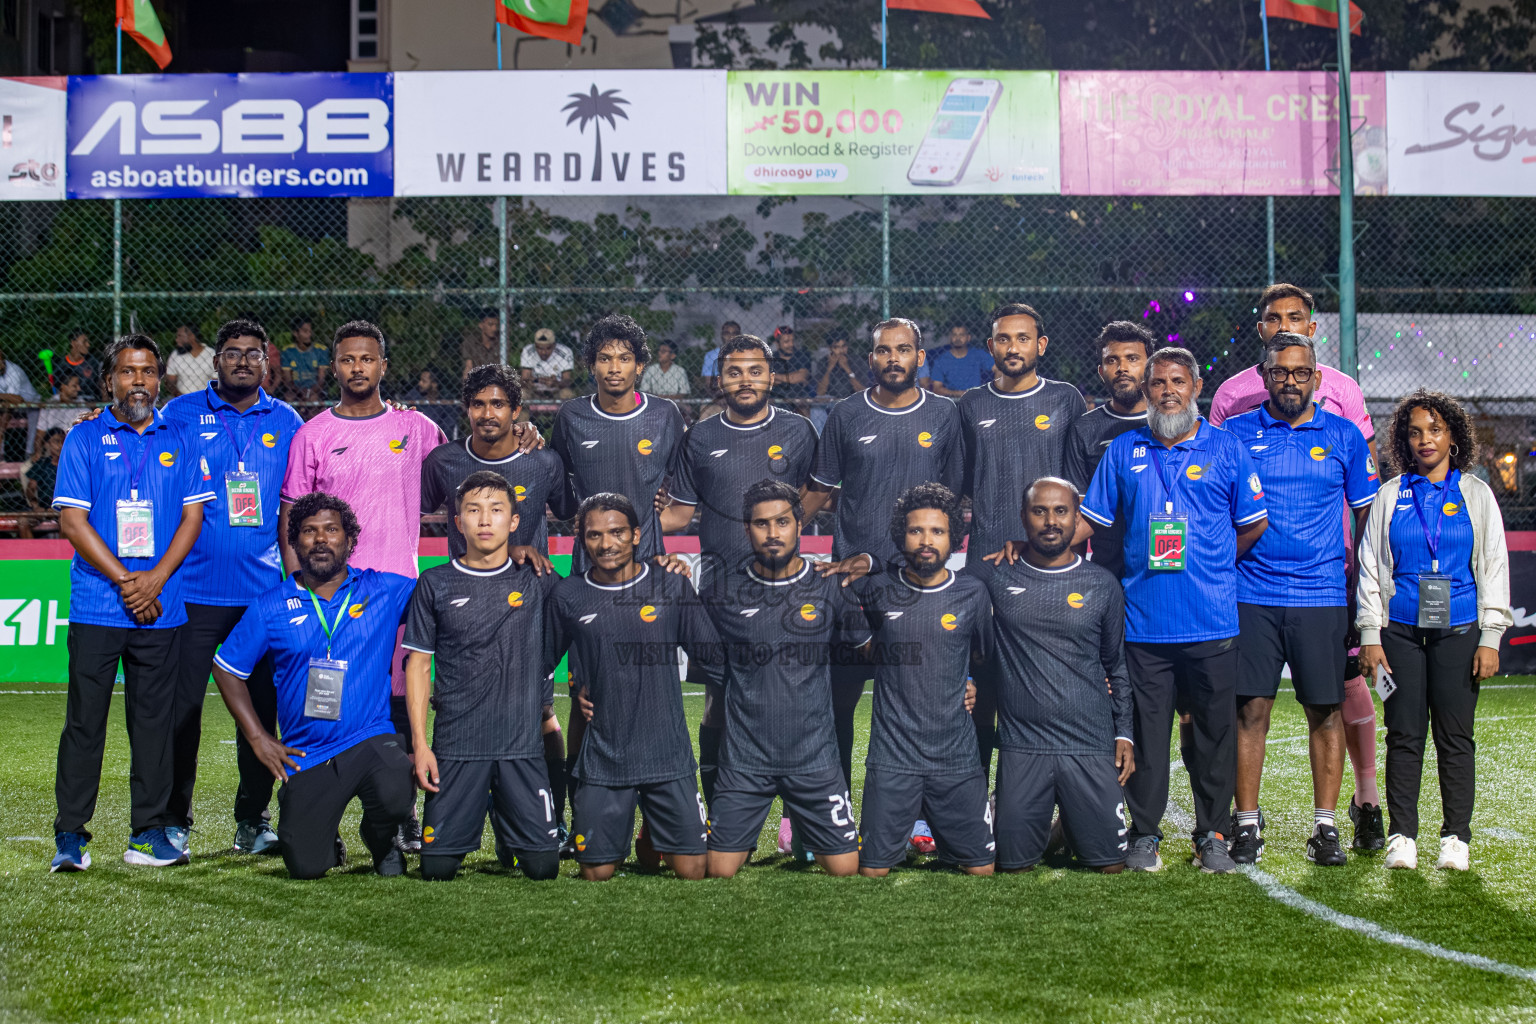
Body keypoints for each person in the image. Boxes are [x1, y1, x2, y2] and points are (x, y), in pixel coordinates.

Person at [1207, 283, 1384, 846]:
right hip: (1250, 593)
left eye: (1300, 373)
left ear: (1316, 378)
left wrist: (1362, 586)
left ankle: (1325, 827)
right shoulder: (1234, 433)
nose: (1290, 381)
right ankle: (1247, 825)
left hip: (1323, 594)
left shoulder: (1343, 436)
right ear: (1264, 377)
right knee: (1249, 711)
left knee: (1325, 711)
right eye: (1280, 372)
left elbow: (1368, 514)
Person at [1080, 347, 1268, 874]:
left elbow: (1254, 523)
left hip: (1211, 622)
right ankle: (1144, 835)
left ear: (1196, 387)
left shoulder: (1226, 448)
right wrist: (1031, 548)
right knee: (1146, 739)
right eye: (1158, 383)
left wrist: (1215, 560)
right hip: (1143, 624)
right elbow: (1091, 521)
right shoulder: (1124, 450)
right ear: (1146, 390)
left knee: (1213, 737)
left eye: (1178, 382)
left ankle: (1212, 834)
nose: (1168, 392)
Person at [279, 319, 448, 852]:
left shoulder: (416, 427)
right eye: (348, 359)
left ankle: (399, 817)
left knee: (398, 703)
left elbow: (458, 473)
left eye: (367, 359)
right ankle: (318, 816)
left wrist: (526, 435)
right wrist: (297, 589)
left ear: (383, 366)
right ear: (334, 367)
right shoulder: (313, 435)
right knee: (322, 704)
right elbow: (291, 519)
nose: (358, 368)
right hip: (328, 596)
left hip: (396, 594)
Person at [48, 334, 214, 873]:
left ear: (160, 379)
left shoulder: (182, 436)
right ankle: (71, 836)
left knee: (154, 726)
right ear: (109, 380)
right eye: (127, 371)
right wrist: (128, 582)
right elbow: (73, 523)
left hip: (162, 606)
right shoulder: (84, 438)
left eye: (147, 371)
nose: (138, 381)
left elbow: (193, 518)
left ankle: (147, 833)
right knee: (84, 724)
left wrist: (155, 581)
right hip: (98, 604)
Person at [803, 316, 962, 837]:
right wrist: (774, 536)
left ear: (920, 356)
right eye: (883, 350)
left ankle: (920, 818)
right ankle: (832, 815)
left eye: (904, 349)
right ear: (870, 358)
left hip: (918, 587)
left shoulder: (944, 415)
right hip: (851, 586)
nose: (894, 358)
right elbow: (819, 490)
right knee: (837, 705)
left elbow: (952, 503)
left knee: (918, 707)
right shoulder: (846, 414)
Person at [210, 493, 418, 880]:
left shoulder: (382, 590)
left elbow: (443, 592)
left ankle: (381, 837)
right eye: (309, 531)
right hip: (307, 753)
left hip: (370, 737)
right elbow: (226, 669)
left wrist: (509, 554)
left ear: (349, 540)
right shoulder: (270, 605)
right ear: (294, 542)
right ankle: (320, 832)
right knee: (307, 865)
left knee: (396, 784)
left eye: (331, 530)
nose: (320, 539)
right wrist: (258, 738)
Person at [161, 318, 305, 856]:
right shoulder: (178, 414)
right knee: (182, 713)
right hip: (191, 592)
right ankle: (174, 821)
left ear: (266, 362)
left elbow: (294, 507)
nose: (243, 361)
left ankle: (252, 821)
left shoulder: (286, 420)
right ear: (215, 360)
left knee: (263, 712)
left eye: (253, 353)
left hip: (262, 598)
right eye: (232, 352)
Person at [659, 333, 819, 807]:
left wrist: (787, 530)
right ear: (719, 379)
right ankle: (718, 812)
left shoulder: (799, 431)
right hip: (721, 592)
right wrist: (628, 530)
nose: (745, 380)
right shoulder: (700, 437)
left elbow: (819, 493)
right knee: (719, 701)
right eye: (734, 371)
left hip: (786, 592)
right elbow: (678, 513)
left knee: (792, 702)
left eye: (755, 371)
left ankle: (798, 821)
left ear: (771, 376)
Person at [1357, 390, 1512, 872]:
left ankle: (1455, 838)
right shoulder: (1391, 494)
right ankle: (1402, 836)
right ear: (1404, 440)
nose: (1425, 440)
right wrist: (1370, 633)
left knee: (1455, 736)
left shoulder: (1476, 494)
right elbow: (1370, 565)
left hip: (1460, 630)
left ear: (1453, 437)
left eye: (1435, 430)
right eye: (1415, 432)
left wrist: (1490, 637)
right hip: (1399, 632)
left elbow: (1494, 564)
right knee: (1404, 734)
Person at [420, 364, 570, 838]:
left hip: (526, 611)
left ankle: (551, 818)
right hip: (464, 610)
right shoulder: (443, 462)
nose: (488, 413)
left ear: (516, 410)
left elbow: (570, 511)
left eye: (499, 404)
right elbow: (415, 509)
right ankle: (463, 810)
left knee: (540, 712)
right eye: (479, 404)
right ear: (466, 409)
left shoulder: (543, 463)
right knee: (458, 710)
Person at [550, 493, 722, 881]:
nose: (606, 544)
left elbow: (714, 658)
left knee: (694, 871)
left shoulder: (670, 586)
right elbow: (542, 661)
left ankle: (652, 831)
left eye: (617, 532)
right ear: (582, 539)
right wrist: (578, 686)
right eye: (594, 535)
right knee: (597, 873)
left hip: (667, 755)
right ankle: (635, 824)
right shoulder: (568, 595)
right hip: (604, 758)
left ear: (637, 535)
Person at [702, 480, 869, 878]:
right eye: (762, 524)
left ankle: (807, 834)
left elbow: (874, 653)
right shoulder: (720, 593)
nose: (772, 533)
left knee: (846, 870)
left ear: (799, 524)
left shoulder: (831, 585)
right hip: (745, 759)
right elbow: (706, 669)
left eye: (782, 522)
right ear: (747, 529)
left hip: (815, 758)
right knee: (718, 871)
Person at [403, 471, 562, 882]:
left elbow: (590, 605)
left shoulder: (538, 578)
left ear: (514, 521)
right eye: (474, 511)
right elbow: (418, 665)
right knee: (437, 869)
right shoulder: (434, 583)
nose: (485, 520)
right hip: (457, 746)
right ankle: (488, 804)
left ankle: (507, 817)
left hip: (520, 746)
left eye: (496, 510)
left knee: (543, 868)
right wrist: (421, 745)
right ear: (458, 522)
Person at [959, 302, 1083, 787]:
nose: (1013, 347)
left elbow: (1078, 490)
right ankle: (974, 802)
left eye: (1023, 338)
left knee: (1042, 685)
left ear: (1041, 345)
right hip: (986, 564)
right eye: (1004, 339)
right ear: (991, 346)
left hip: (1048, 567)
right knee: (983, 686)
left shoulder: (1066, 399)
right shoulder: (971, 405)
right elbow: (960, 483)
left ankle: (1035, 801)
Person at [988, 478, 1134, 873]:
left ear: (1076, 518)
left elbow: (1116, 666)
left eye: (1060, 511)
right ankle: (1056, 829)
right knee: (1013, 866)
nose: (1050, 521)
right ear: (1023, 518)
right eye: (1040, 511)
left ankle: (1071, 824)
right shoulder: (997, 577)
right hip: (1023, 744)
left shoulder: (1102, 584)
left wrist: (1124, 733)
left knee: (1109, 866)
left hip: (1088, 740)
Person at [851, 483, 994, 877]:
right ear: (902, 536)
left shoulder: (972, 593)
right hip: (893, 756)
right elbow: (868, 648)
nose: (926, 541)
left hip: (956, 757)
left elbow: (984, 657)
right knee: (873, 871)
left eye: (937, 531)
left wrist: (972, 682)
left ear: (953, 538)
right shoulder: (879, 589)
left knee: (981, 871)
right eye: (916, 530)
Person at [550, 314, 684, 575]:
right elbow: (556, 475)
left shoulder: (664, 414)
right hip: (589, 561)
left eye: (624, 358)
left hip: (648, 557)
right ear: (592, 366)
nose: (614, 368)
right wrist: (579, 512)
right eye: (604, 359)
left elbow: (687, 474)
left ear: (639, 366)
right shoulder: (571, 415)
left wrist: (668, 496)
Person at [1063, 321, 1153, 580]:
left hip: (1162, 568)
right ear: (1101, 371)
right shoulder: (1084, 429)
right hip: (1106, 570)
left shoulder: (1169, 425)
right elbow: (1077, 512)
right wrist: (1075, 579)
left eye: (1132, 358)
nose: (1122, 368)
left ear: (1150, 366)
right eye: (1112, 360)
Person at [922, 322, 993, 398]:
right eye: (954, 335)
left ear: (968, 338)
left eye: (961, 335)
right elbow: (936, 388)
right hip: (952, 400)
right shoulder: (941, 361)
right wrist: (960, 394)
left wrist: (995, 390)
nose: (958, 338)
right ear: (950, 337)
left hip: (976, 399)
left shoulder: (978, 354)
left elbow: (998, 369)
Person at [811, 329, 860, 431]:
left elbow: (862, 391)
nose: (841, 351)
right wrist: (830, 367)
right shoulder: (823, 362)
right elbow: (820, 392)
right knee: (816, 407)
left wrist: (847, 369)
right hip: (831, 400)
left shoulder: (856, 360)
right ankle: (821, 439)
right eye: (836, 347)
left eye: (843, 346)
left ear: (847, 347)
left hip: (852, 400)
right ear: (830, 349)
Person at [519, 327, 576, 401]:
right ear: (535, 345)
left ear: (554, 345)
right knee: (521, 393)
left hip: (556, 390)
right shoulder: (528, 351)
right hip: (534, 390)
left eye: (548, 348)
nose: (543, 352)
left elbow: (567, 380)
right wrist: (530, 382)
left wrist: (556, 383)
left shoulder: (565, 352)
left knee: (567, 393)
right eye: (540, 348)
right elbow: (524, 378)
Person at [404, 368, 461, 439]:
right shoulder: (414, 396)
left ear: (434, 384)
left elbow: (447, 429)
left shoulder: (446, 404)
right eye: (420, 380)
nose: (420, 383)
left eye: (424, 381)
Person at [163, 325, 217, 398]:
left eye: (180, 336)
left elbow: (216, 383)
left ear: (191, 336)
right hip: (180, 398)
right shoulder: (175, 354)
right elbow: (170, 382)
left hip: (205, 398)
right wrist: (180, 396)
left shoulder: (211, 354)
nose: (176, 340)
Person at [283, 316, 328, 403]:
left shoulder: (321, 350)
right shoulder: (287, 351)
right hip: (295, 390)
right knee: (288, 398)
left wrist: (309, 392)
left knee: (313, 399)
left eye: (310, 331)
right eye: (305, 331)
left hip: (315, 389)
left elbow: (321, 379)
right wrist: (300, 391)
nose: (309, 334)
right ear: (296, 333)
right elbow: (288, 379)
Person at [35, 375, 84, 454]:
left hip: (73, 448)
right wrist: (38, 453)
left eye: (78, 385)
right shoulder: (50, 404)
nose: (79, 389)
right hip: (52, 449)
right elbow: (40, 434)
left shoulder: (82, 404)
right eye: (74, 386)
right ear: (63, 386)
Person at [768, 326, 812, 406]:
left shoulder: (802, 356)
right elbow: (765, 379)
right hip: (776, 400)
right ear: (777, 344)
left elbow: (801, 377)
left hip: (799, 400)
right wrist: (792, 378)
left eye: (793, 340)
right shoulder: (771, 358)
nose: (791, 344)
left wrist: (775, 377)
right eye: (786, 341)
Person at [640, 340, 692, 406]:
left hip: (674, 404)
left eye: (663, 351)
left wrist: (665, 397)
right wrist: (659, 397)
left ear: (672, 356)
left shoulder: (680, 371)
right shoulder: (651, 370)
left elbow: (684, 393)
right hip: (654, 403)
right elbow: (644, 390)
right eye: (659, 351)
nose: (659, 353)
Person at [26, 428, 65, 512]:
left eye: (63, 441)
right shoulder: (42, 463)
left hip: (65, 508)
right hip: (44, 508)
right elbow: (31, 487)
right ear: (47, 444)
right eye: (56, 441)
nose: (60, 445)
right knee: (23, 519)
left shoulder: (70, 464)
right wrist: (35, 505)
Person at [57, 329, 104, 399]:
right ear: (73, 343)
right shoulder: (61, 364)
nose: (88, 345)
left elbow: (102, 385)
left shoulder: (93, 362)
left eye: (88, 342)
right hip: (70, 401)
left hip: (92, 400)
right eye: (84, 341)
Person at [700, 320, 742, 394]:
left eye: (735, 333)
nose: (731, 336)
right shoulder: (711, 355)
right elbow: (708, 382)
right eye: (727, 333)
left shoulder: (747, 354)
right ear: (722, 335)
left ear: (740, 336)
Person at [461, 308, 501, 380]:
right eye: (490, 324)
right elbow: (468, 366)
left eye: (496, 325)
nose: (494, 328)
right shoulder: (471, 342)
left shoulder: (501, 342)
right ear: (481, 325)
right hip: (477, 379)